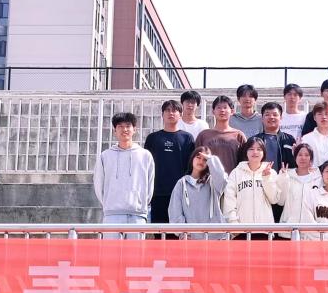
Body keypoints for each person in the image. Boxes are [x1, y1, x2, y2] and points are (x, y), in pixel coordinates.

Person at [93, 112, 155, 240]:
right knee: (111, 252)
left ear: (134, 129)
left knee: (135, 252)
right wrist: (108, 205)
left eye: (128, 126)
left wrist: (141, 204)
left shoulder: (145, 155)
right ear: (114, 130)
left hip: (137, 215)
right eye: (120, 126)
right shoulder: (105, 156)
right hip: (112, 215)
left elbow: (150, 184)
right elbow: (99, 184)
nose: (124, 129)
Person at [143, 100, 195, 232]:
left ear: (180, 115)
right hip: (158, 193)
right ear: (162, 114)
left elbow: (191, 167)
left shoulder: (187, 138)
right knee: (159, 232)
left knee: (179, 232)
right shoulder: (153, 138)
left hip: (181, 193)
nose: (171, 113)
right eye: (167, 110)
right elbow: (146, 166)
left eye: (174, 110)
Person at [223, 138, 281, 240]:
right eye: (251, 149)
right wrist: (233, 224)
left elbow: (274, 199)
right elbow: (229, 200)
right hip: (241, 231)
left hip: (264, 230)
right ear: (246, 152)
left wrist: (266, 178)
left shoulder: (271, 172)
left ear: (263, 152)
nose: (255, 152)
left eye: (259, 149)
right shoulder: (236, 173)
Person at [168, 146, 228, 240]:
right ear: (192, 158)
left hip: (216, 238)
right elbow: (175, 211)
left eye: (205, 159)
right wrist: (183, 233)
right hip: (190, 240)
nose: (201, 161)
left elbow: (223, 179)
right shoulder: (182, 183)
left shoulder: (213, 182)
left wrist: (211, 159)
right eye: (198, 157)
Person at [276, 143, 321, 240]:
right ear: (295, 157)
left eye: (307, 155)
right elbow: (280, 201)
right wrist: (283, 179)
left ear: (311, 159)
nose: (303, 158)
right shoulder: (287, 175)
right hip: (289, 229)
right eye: (300, 155)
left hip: (311, 232)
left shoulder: (318, 178)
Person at [194, 96, 247, 172]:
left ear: (232, 111)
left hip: (232, 178)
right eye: (218, 108)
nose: (222, 110)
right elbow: (196, 159)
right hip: (208, 178)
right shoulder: (203, 135)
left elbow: (245, 162)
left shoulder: (239, 135)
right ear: (213, 111)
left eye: (225, 107)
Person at [301, 102, 328, 168]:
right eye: (320, 114)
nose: (323, 117)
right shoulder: (306, 139)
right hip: (312, 174)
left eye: (326, 114)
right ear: (314, 117)